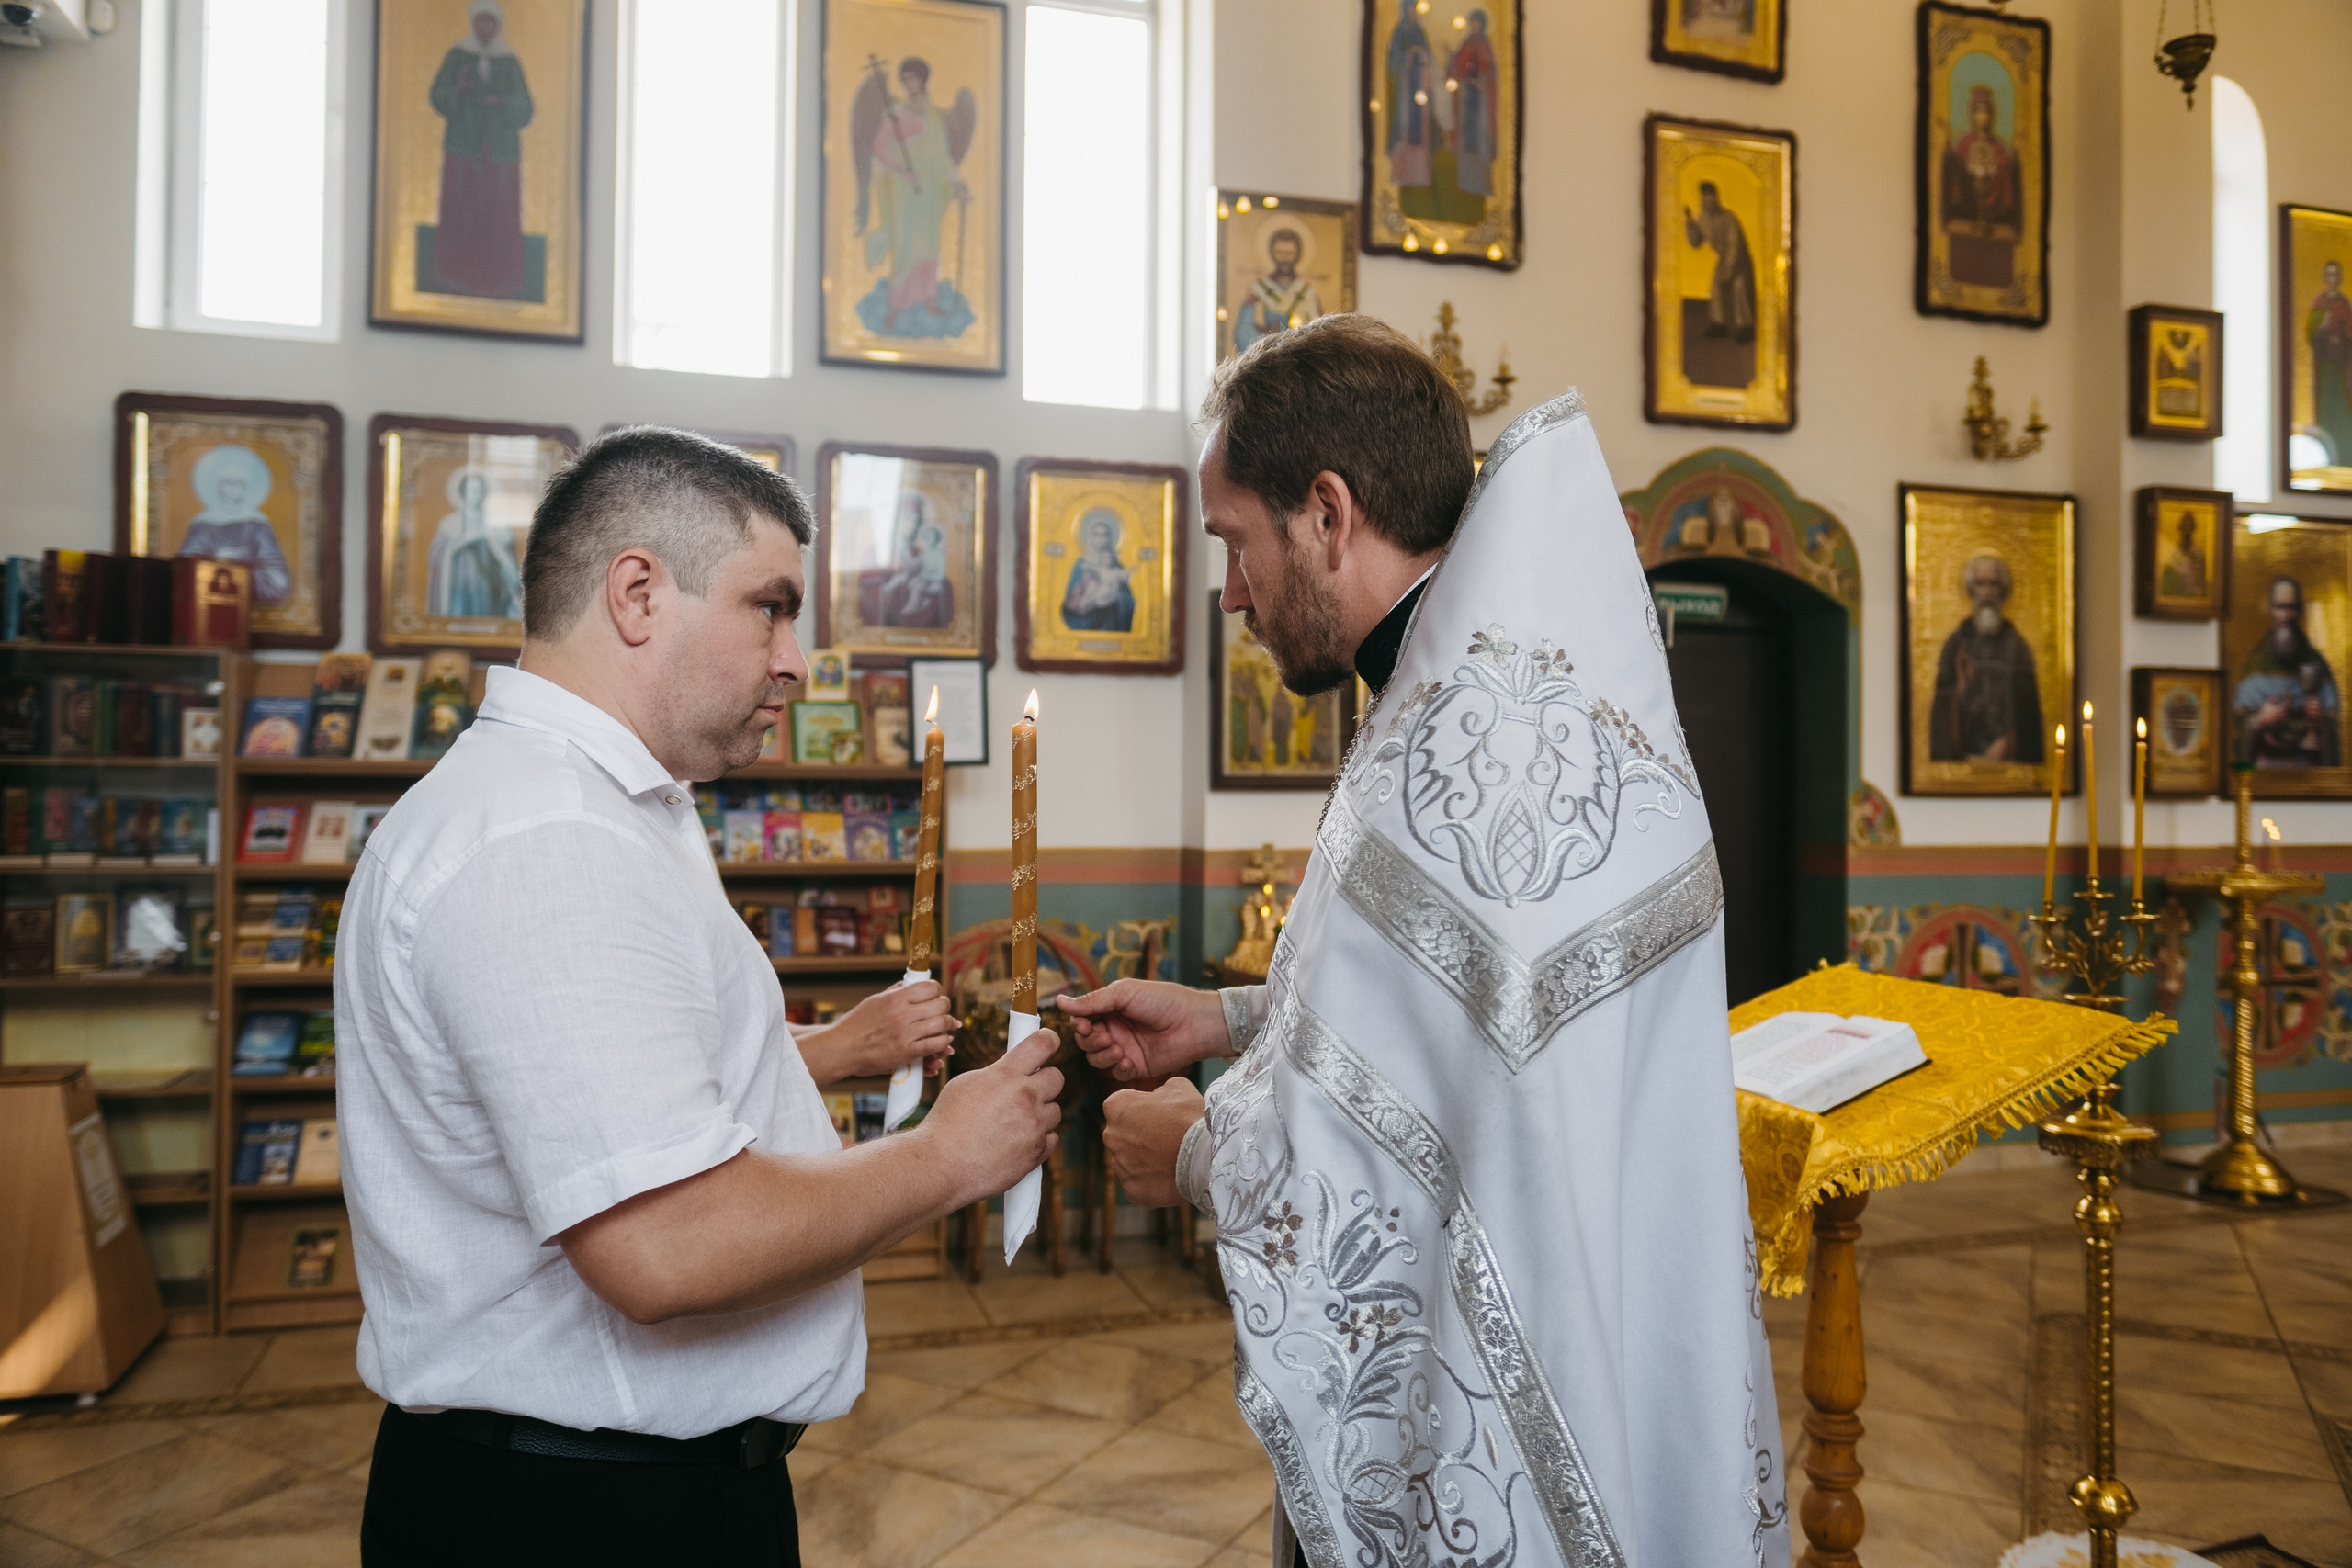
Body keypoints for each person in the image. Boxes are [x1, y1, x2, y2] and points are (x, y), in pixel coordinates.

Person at [1064, 314, 1787, 1568]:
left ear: (1328, 512)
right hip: (1616, 1322)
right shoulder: (1507, 697)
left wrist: (1197, 1156)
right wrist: (1227, 1017)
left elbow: (1430, 1140)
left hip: (1508, 1378)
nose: (1229, 590)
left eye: (1234, 540)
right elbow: (1455, 1030)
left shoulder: (1462, 739)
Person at [340, 427, 1063, 1566]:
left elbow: (625, 1081)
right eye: (769, 609)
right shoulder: (549, 840)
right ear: (638, 594)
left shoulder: (604, 807)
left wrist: (822, 1055)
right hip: (577, 1514)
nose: (795, 661)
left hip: (614, 1485)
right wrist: (948, 1156)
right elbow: (667, 1244)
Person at [850, 57, 978, 340]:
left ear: (923, 80)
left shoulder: (934, 117)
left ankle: (928, 299)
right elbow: (879, 148)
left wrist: (957, 184)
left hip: (929, 192)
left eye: (914, 78)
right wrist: (902, 170)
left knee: (929, 244)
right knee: (906, 245)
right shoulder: (895, 115)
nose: (910, 84)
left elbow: (942, 157)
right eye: (905, 79)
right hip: (904, 191)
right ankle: (896, 306)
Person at [427, 1, 534, 300]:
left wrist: (503, 104)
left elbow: (526, 109)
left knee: (498, 216)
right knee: (462, 212)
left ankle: (500, 284)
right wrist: (458, 91)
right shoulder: (458, 55)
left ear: (498, 25)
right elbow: (437, 96)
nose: (485, 28)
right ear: (473, 23)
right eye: (480, 22)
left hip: (500, 156)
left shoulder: (509, 60)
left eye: (490, 23)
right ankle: (456, 279)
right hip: (464, 150)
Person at [1928, 553, 2045, 764]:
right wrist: (1960, 689)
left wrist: (2008, 742)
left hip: (2008, 755)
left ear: (2003, 590)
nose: (1987, 592)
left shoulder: (2016, 647)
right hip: (1965, 754)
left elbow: (2029, 714)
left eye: (1994, 584)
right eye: (1981, 584)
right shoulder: (1956, 645)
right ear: (1971, 589)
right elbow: (1942, 710)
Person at [2235, 575, 2342, 768]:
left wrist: (2319, 722)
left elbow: (2335, 726)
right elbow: (2237, 729)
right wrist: (2260, 720)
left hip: (2309, 773)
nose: (2285, 615)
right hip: (2265, 772)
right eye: (2279, 607)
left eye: (2291, 607)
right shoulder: (2254, 666)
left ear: (2300, 611)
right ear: (2270, 609)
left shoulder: (2316, 663)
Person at [179, 443, 291, 604]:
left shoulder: (258, 524)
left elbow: (277, 575)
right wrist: (218, 565)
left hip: (248, 590)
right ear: (218, 486)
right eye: (227, 482)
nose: (232, 488)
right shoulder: (203, 523)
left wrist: (239, 569)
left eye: (238, 483)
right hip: (208, 597)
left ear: (245, 488)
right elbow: (187, 569)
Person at [1942, 81, 2021, 288]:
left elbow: (2005, 172)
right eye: (1977, 112)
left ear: (1992, 115)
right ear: (1971, 114)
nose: (1981, 118)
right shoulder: (1963, 145)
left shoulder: (1999, 151)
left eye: (1985, 112)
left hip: (1995, 219)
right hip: (1965, 215)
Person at [426, 468, 524, 620]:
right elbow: (437, 557)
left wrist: (491, 541)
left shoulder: (498, 525)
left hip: (487, 588)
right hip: (458, 586)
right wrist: (464, 540)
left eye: (479, 491)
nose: (475, 495)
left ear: (485, 494)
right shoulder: (450, 523)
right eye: (471, 491)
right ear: (463, 493)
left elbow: (510, 565)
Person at [1684, 182, 1757, 343]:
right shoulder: (1703, 218)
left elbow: (1734, 244)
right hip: (1723, 257)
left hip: (1739, 259)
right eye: (1704, 200)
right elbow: (1697, 242)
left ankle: (1747, 327)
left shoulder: (1728, 218)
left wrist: (1729, 267)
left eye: (1709, 199)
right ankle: (1719, 324)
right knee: (1716, 287)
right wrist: (1690, 224)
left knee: (1739, 289)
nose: (1706, 203)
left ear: (1716, 199)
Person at [1232, 228, 1323, 355]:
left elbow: (1321, 334)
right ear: (1272, 253)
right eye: (1279, 252)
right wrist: (1268, 337)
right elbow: (1242, 335)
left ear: (1298, 254)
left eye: (1289, 252)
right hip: (1269, 359)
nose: (1284, 259)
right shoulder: (1259, 289)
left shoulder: (1307, 292)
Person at [1383, 0, 1434, 190]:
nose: (1413, 13)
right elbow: (1393, 57)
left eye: (1415, 10)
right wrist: (1409, 54)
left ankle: (1420, 175)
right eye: (1410, 10)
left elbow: (1429, 57)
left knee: (1421, 130)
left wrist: (1422, 55)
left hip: (1419, 86)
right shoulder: (1400, 31)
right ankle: (1402, 174)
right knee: (1403, 127)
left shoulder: (1420, 32)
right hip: (1405, 88)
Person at [2305, 259, 2352, 466]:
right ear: (2325, 278)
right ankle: (2327, 455)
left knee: (2344, 408)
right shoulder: (2319, 303)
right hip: (2325, 368)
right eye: (2329, 275)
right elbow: (2311, 334)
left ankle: (2346, 455)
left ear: (2340, 278)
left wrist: (2342, 337)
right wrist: (2323, 328)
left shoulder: (2345, 304)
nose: (2333, 279)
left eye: (2336, 275)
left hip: (2343, 367)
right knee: (2327, 408)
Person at [1059, 508, 1137, 632]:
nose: (1100, 538)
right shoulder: (1081, 564)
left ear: (1110, 538)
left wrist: (1117, 598)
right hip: (1085, 616)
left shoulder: (1116, 564)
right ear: (1090, 537)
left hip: (1110, 620)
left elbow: (1127, 598)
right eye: (1096, 534)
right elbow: (1071, 596)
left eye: (1104, 534)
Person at [1448, 11, 1499, 197]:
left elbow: (1490, 72)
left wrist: (1481, 79)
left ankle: (1481, 185)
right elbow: (1458, 65)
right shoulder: (1467, 42)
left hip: (1481, 103)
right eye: (1472, 23)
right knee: (1466, 141)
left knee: (1480, 141)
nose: (1474, 26)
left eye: (1477, 23)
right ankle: (1466, 184)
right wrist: (1452, 59)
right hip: (1466, 99)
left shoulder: (1486, 44)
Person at [2159, 513, 2207, 601]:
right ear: (2180, 527)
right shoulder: (2171, 554)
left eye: (2190, 525)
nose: (2187, 528)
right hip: (2174, 601)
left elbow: (2201, 587)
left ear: (2194, 528)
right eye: (2185, 525)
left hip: (2193, 602)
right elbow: (2166, 585)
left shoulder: (2199, 554)